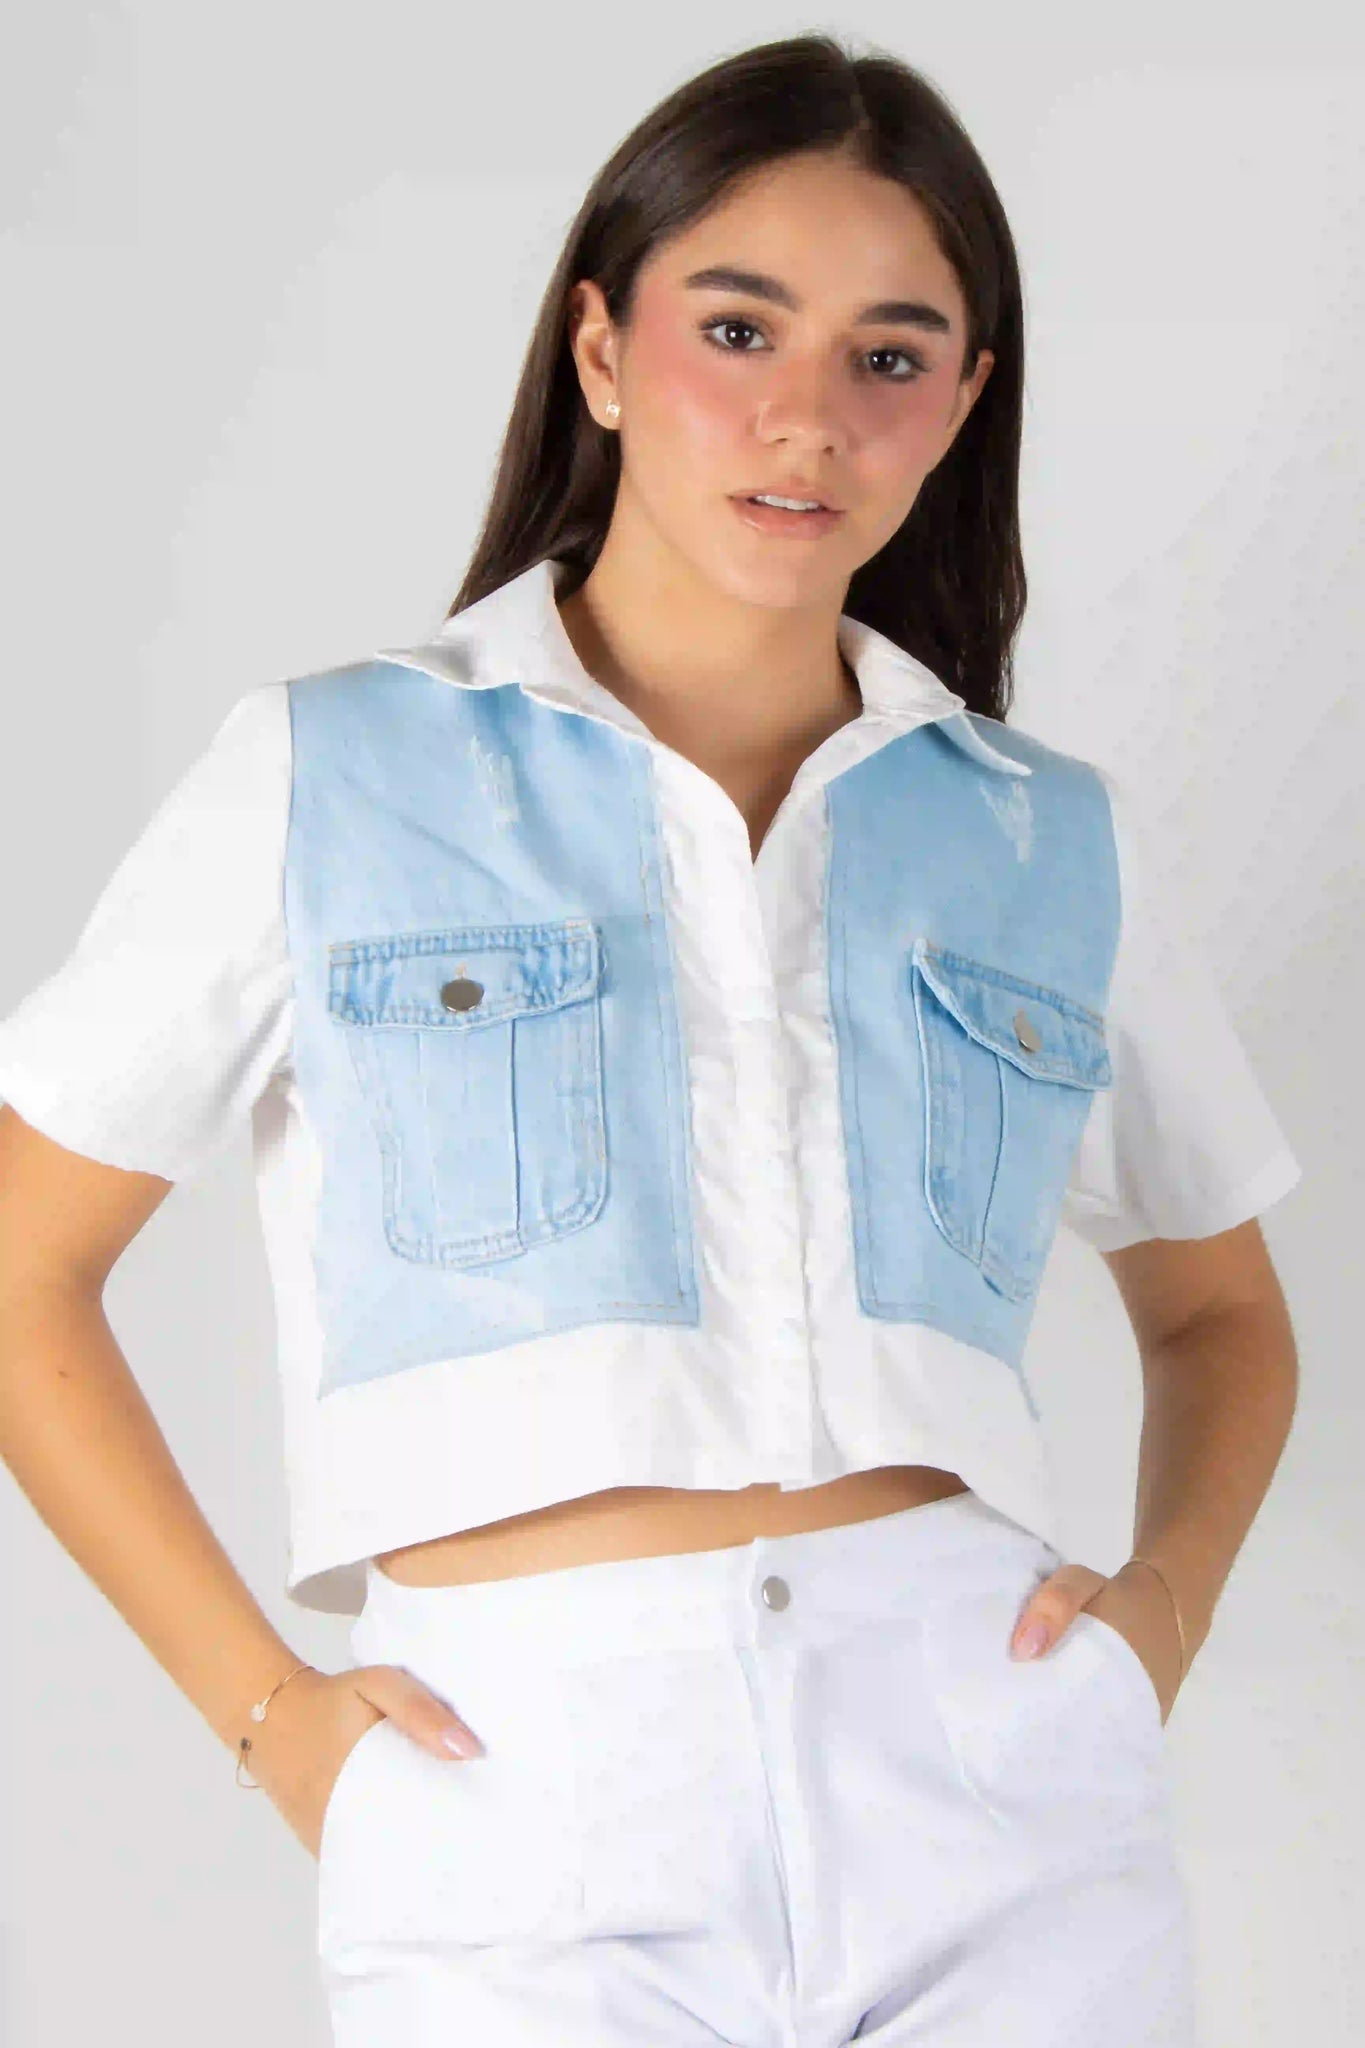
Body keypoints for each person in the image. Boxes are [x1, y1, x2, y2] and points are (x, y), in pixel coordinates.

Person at [0, 32, 1303, 2048]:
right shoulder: (331, 772)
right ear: (602, 351)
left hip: (995, 1785)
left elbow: (1218, 1310)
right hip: (516, 1795)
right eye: (736, 328)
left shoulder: (1040, 834)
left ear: (962, 402)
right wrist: (274, 1724)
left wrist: (1156, 1622)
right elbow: (23, 1268)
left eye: (887, 355)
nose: (805, 418)